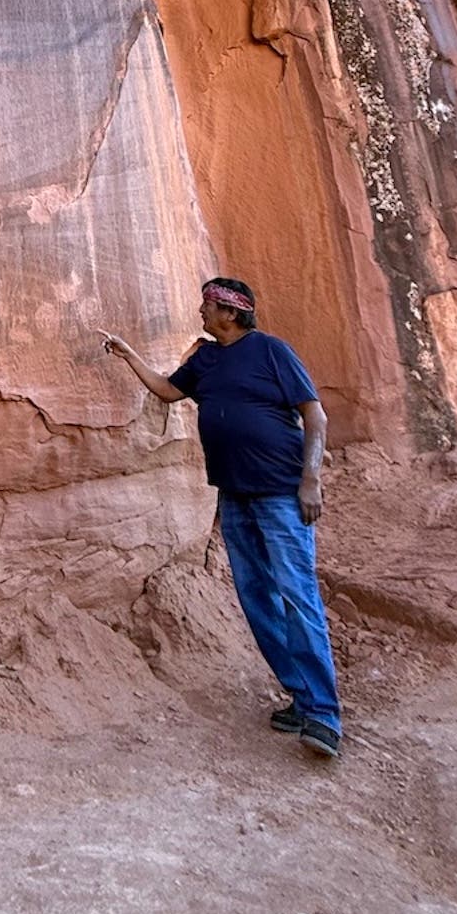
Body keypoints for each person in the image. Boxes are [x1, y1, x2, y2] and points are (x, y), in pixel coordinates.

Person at [99, 277, 342, 759]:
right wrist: (129, 357)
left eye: (208, 306)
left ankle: (324, 716)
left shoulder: (272, 351)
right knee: (257, 598)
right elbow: (169, 391)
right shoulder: (205, 359)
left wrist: (310, 478)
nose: (201, 313)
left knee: (297, 595)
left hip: (281, 495)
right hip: (234, 496)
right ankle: (301, 695)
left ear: (232, 312)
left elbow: (314, 416)